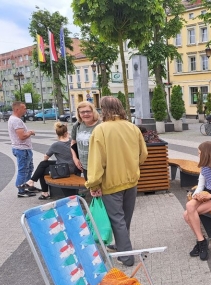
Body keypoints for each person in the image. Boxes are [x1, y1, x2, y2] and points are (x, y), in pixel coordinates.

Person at [85, 96, 148, 267]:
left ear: (103, 109)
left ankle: (127, 257)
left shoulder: (101, 130)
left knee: (117, 220)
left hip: (111, 183)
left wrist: (93, 183)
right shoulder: (132, 128)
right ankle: (122, 245)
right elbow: (143, 155)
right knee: (124, 219)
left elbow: (97, 161)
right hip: (131, 181)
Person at [26, 122, 76, 200]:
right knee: (43, 165)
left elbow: (46, 157)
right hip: (73, 166)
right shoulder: (71, 141)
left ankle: (42, 190)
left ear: (57, 134)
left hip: (64, 169)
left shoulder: (56, 145)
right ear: (66, 132)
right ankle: (33, 182)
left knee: (42, 168)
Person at [7, 101, 37, 198]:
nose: (26, 110)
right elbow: (22, 136)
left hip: (22, 148)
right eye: (24, 108)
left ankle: (28, 186)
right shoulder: (16, 120)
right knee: (23, 170)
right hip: (22, 149)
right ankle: (21, 190)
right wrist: (30, 132)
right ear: (17, 109)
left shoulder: (14, 119)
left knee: (28, 169)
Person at [70, 101, 101, 180]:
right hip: (84, 166)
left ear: (93, 111)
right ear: (79, 114)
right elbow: (73, 142)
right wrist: (75, 158)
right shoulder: (77, 125)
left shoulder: (101, 125)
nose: (85, 114)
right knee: (91, 189)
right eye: (82, 112)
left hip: (99, 166)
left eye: (88, 111)